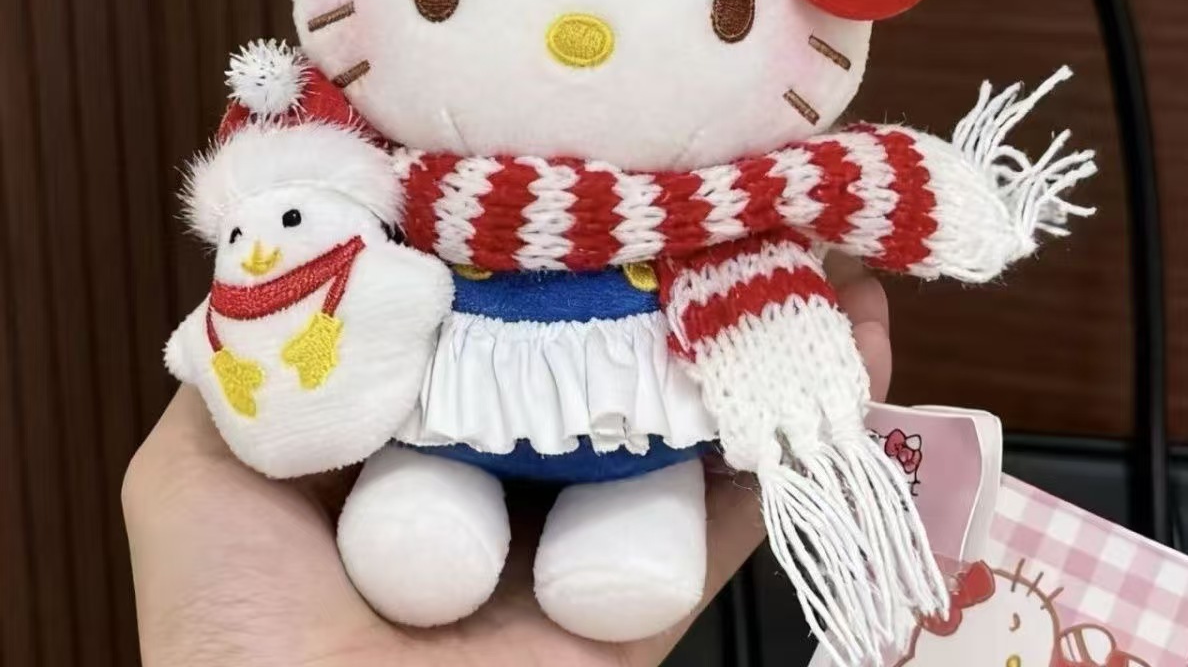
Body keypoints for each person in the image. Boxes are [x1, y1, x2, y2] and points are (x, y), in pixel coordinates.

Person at [123, 254, 892, 667]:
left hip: (638, 429)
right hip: (442, 418)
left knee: (630, 552)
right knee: (415, 540)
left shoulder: (725, 196)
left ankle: (625, 531)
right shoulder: (390, 161)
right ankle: (426, 519)